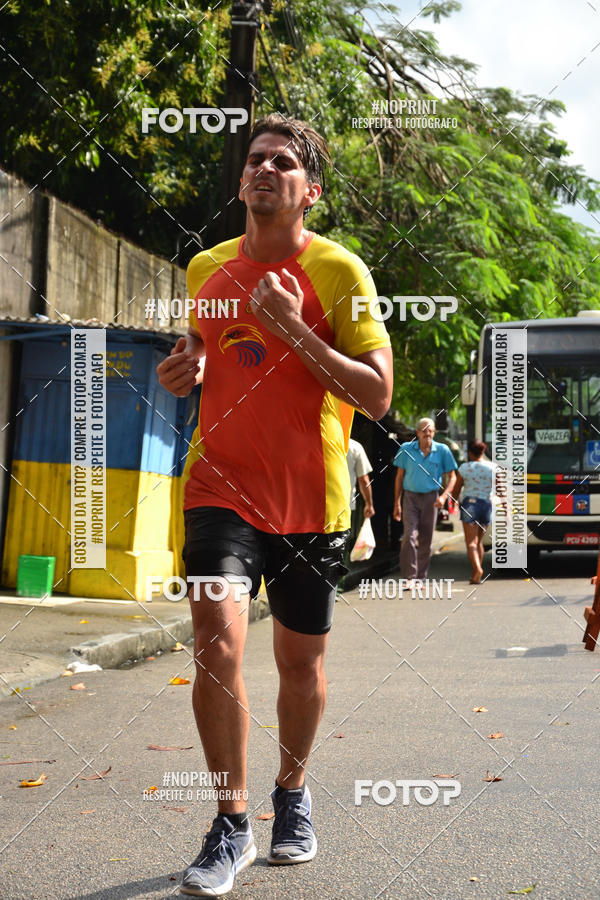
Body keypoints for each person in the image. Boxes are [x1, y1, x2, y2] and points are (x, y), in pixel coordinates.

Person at [156, 113, 393, 897]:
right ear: (241, 181)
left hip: (311, 501)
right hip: (218, 487)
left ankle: (291, 792)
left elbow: (378, 395)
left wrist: (292, 328)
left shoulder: (339, 273)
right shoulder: (206, 268)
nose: (265, 168)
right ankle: (231, 824)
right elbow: (205, 346)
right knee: (215, 643)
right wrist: (187, 364)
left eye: (283, 162)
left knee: (300, 663)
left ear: (310, 191)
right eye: (256, 158)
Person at [392, 417, 457, 583]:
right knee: (409, 537)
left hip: (432, 498)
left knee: (426, 540)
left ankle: (420, 578)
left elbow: (453, 477)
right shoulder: (406, 449)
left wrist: (444, 496)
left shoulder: (442, 450)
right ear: (417, 432)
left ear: (434, 433)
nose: (427, 433)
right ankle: (409, 577)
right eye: (424, 430)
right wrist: (397, 502)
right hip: (410, 498)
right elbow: (399, 477)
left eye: (430, 430)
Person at [451, 439, 498, 584]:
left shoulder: (464, 468)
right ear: (483, 452)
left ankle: (477, 569)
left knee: (470, 543)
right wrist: (506, 508)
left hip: (470, 505)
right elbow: (500, 489)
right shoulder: (493, 467)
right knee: (479, 542)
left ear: (469, 452)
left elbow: (456, 489)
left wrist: (453, 502)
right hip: (486, 506)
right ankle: (475, 575)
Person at [347, 438, 374, 519]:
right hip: (345, 503)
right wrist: (369, 504)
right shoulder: (355, 446)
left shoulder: (319, 443)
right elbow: (364, 480)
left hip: (318, 503)